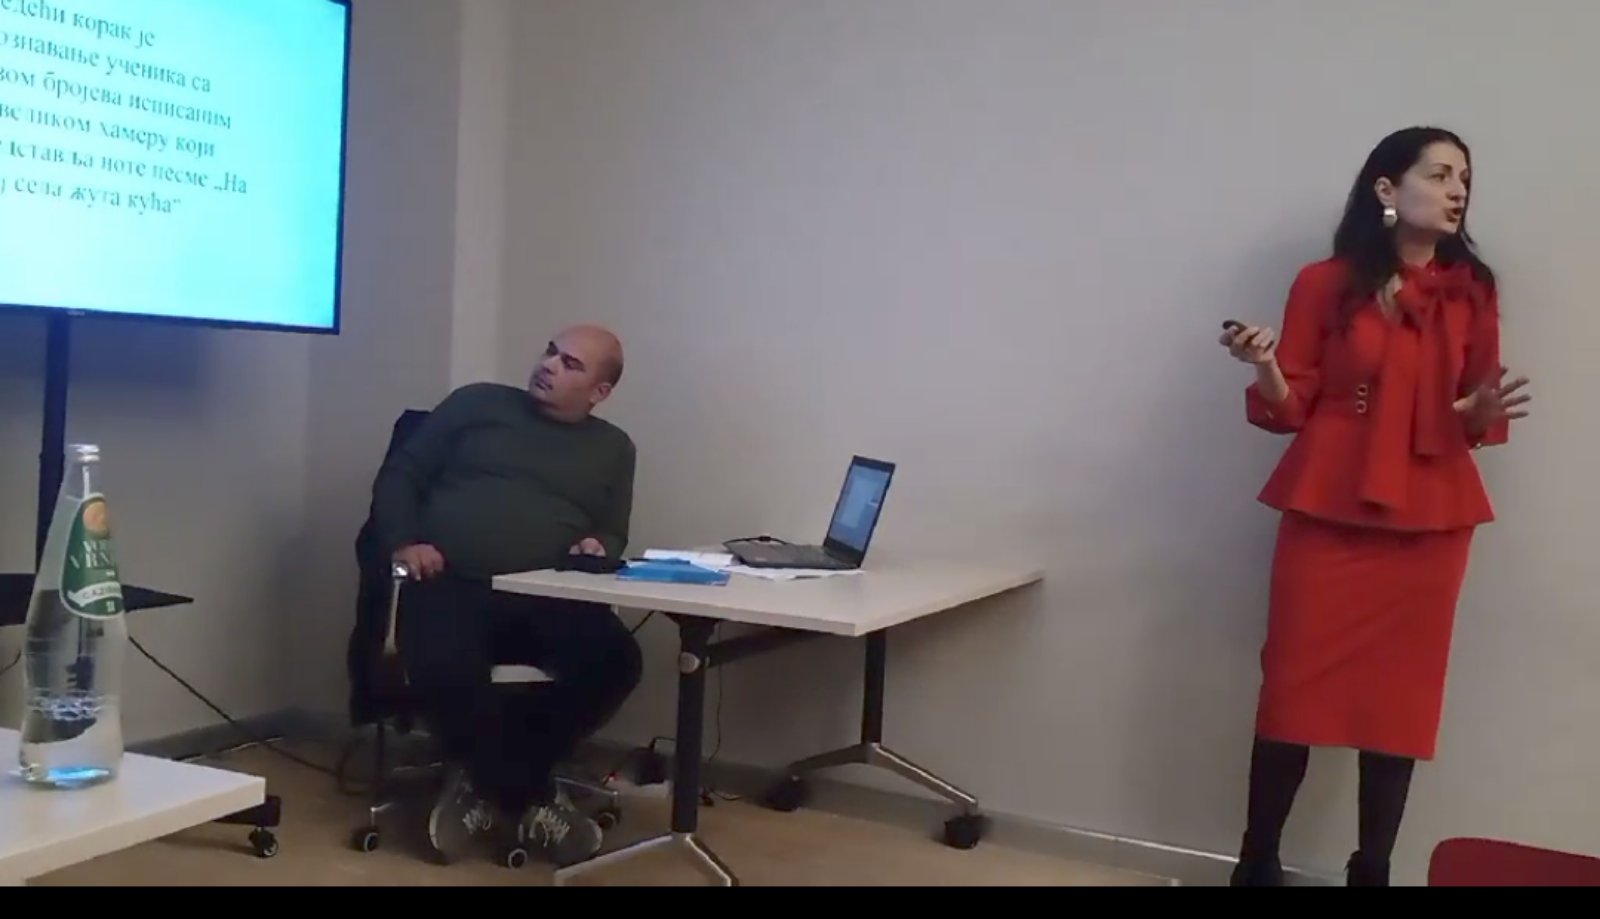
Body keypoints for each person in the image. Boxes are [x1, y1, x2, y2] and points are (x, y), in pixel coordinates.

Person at [1219, 127, 1532, 886]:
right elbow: (1291, 407)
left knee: (1400, 701)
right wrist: (1265, 365)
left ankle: (1373, 870)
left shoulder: (1473, 287)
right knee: (1290, 692)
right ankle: (1256, 864)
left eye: (1465, 178)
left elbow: (1476, 406)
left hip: (1428, 523)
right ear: (1387, 189)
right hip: (1329, 509)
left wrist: (1476, 409)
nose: (1458, 190)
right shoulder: (1323, 282)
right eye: (1440, 174)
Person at [369, 324, 644, 867]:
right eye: (550, 352)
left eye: (570, 364)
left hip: (546, 594)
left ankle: (489, 780)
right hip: (449, 581)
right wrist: (405, 541)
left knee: (616, 662)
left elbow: (614, 530)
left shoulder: (614, 448)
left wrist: (598, 545)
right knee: (446, 666)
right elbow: (401, 475)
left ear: (600, 391)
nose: (548, 365)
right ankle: (530, 793)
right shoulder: (477, 405)